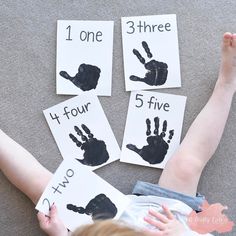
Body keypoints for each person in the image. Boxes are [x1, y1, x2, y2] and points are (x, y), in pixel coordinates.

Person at [0, 32, 236, 236]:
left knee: (44, 192)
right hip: (166, 218)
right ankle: (227, 84)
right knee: (186, 165)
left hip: (104, 229)